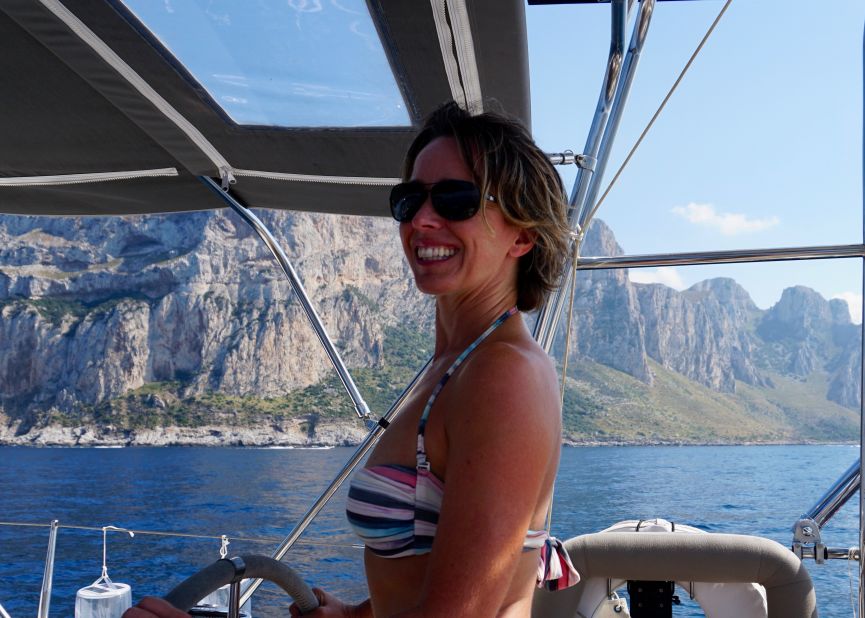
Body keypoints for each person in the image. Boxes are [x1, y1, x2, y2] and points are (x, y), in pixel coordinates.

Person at [123, 100, 577, 618]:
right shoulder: (454, 366)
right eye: (410, 200)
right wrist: (356, 615)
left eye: (456, 199)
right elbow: (430, 571)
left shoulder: (505, 374)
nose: (423, 220)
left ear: (523, 235)